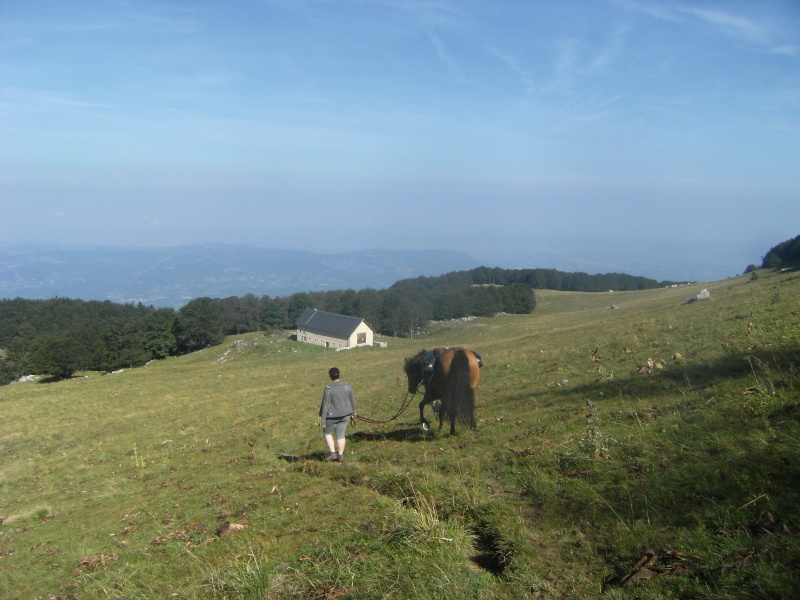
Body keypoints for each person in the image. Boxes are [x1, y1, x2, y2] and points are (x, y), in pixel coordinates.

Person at [319, 367, 356, 462]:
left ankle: (332, 453)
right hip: (346, 415)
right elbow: (352, 400)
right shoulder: (347, 385)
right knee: (341, 434)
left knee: (327, 433)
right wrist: (353, 412)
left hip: (332, 416)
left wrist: (323, 419)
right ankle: (340, 455)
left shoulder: (329, 388)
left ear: (330, 376)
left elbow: (325, 404)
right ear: (339, 374)